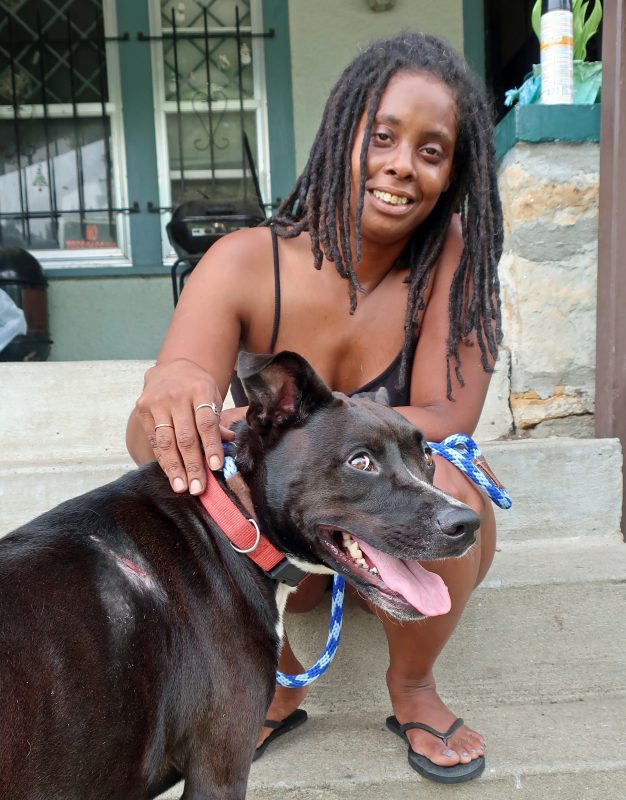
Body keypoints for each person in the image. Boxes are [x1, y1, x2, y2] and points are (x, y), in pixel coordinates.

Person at [126, 31, 503, 784]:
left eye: (432, 152)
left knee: (461, 479)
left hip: (390, 505)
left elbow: (446, 413)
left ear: (454, 173)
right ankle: (278, 673)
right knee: (197, 473)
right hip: (284, 514)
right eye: (384, 137)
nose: (402, 165)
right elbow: (150, 434)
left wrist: (339, 438)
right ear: (341, 137)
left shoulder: (451, 258)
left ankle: (413, 684)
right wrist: (168, 395)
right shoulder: (245, 261)